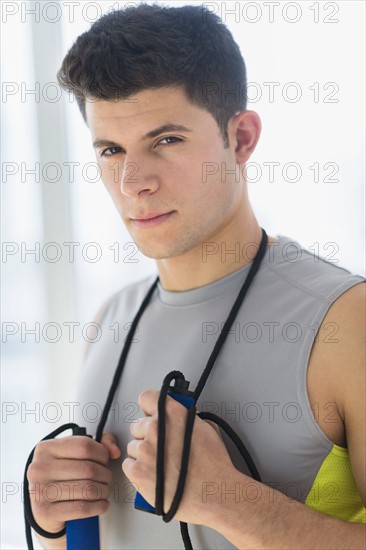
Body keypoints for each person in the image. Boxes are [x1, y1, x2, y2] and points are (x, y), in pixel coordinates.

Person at [26, 4, 365, 549]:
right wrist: (52, 522)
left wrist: (231, 502)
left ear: (243, 139)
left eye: (166, 141)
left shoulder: (347, 320)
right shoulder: (111, 319)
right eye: (111, 150)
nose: (134, 181)